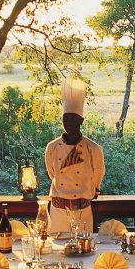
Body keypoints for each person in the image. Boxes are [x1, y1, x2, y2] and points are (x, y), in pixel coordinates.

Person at [44, 78, 105, 234]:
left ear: (81, 121)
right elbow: (52, 173)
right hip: (58, 211)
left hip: (82, 211)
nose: (69, 122)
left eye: (73, 118)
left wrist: (91, 191)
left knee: (85, 252)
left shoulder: (93, 149)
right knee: (58, 254)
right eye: (66, 118)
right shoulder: (52, 148)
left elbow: (97, 175)